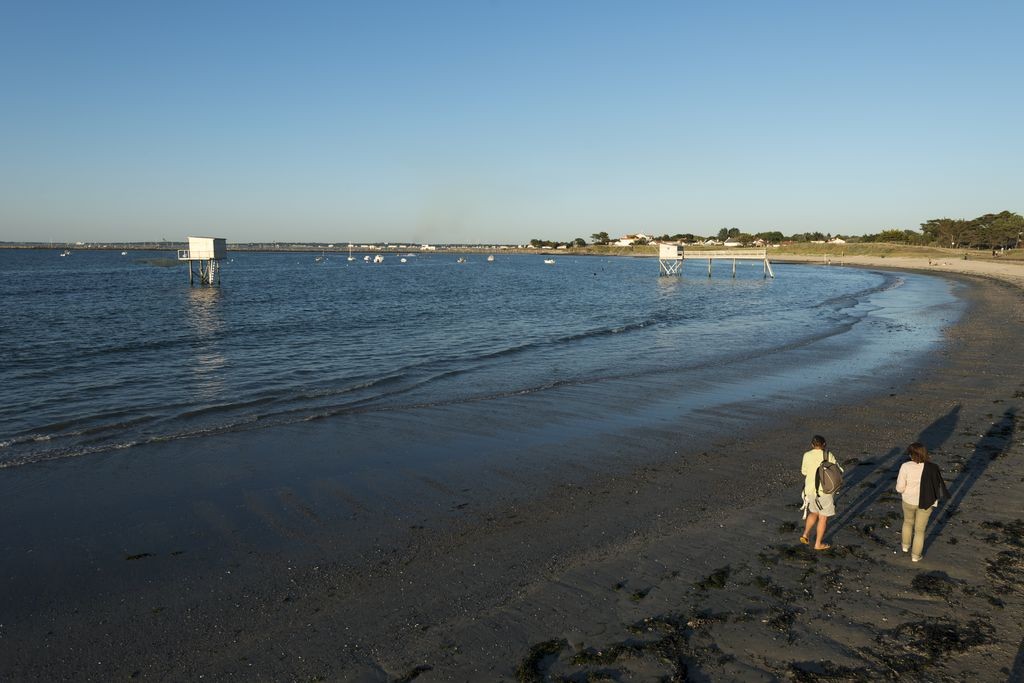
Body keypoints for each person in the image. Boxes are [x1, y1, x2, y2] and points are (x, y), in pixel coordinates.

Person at [895, 442, 950, 562]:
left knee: (908, 522)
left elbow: (899, 488)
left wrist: (904, 491)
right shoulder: (932, 467)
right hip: (926, 501)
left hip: (908, 500)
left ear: (911, 454)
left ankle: (905, 546)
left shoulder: (905, 466)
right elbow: (937, 486)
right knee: (920, 530)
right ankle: (915, 556)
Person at [800, 435, 841, 550]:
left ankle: (805, 534)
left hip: (810, 491)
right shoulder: (828, 455)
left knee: (813, 513)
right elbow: (838, 470)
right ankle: (818, 544)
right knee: (823, 517)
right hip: (825, 491)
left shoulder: (806, 455)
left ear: (812, 445)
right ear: (824, 444)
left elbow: (804, 472)